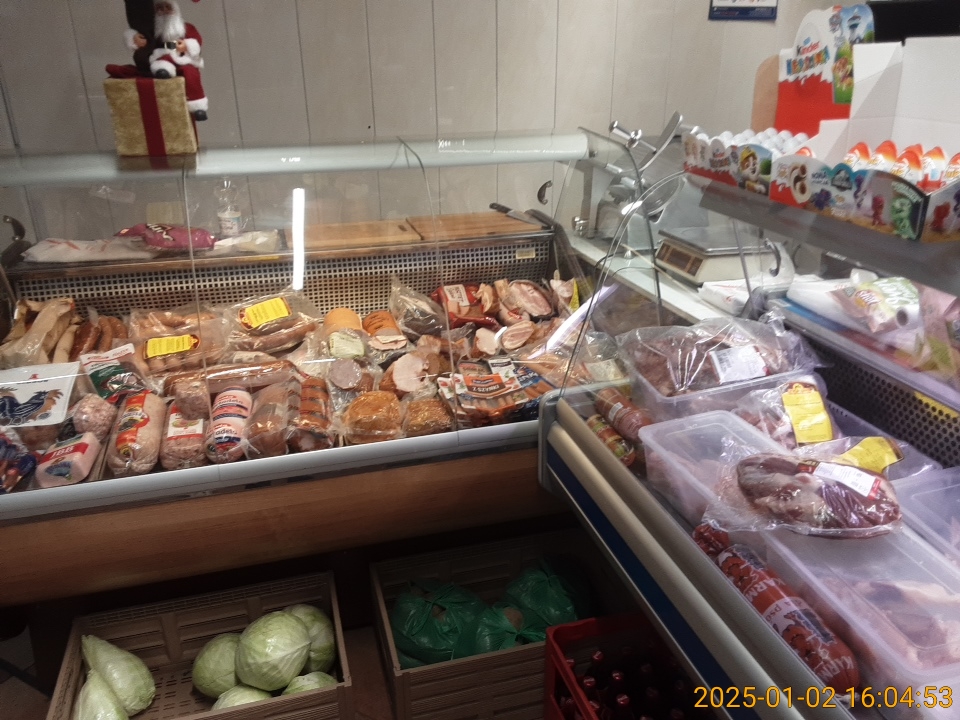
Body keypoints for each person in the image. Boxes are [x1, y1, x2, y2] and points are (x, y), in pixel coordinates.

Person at [107, 0, 208, 121]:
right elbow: (149, 42)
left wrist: (186, 45)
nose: (164, 11)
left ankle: (198, 107)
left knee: (191, 74)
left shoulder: (187, 28)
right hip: (163, 57)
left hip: (183, 59)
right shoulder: (155, 31)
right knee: (163, 60)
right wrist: (134, 38)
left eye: (167, 7)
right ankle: (163, 72)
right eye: (160, 8)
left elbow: (197, 42)